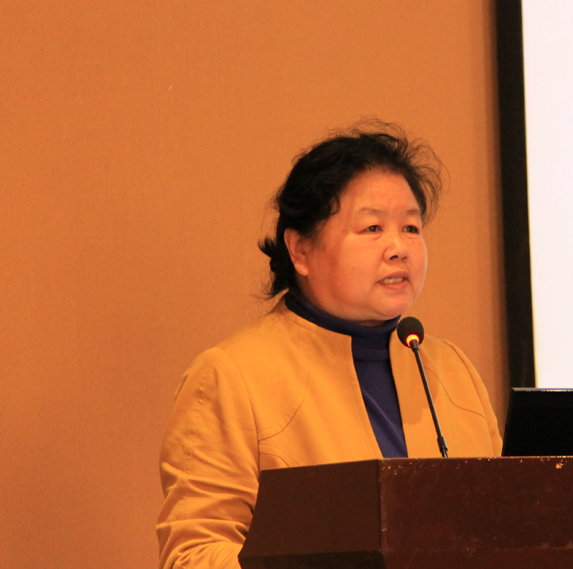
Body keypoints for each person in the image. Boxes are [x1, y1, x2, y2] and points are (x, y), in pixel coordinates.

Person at [156, 122, 502, 569]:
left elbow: (505, 528)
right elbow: (193, 554)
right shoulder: (232, 374)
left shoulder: (450, 367)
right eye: (372, 227)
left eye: (411, 227)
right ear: (300, 250)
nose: (398, 247)